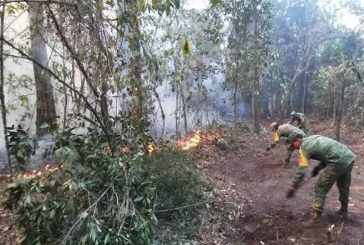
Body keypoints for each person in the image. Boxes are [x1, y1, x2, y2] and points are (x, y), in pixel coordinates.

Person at [286, 135, 355, 225]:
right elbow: (328, 152)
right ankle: (344, 211)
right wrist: (318, 168)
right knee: (343, 186)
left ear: (297, 140)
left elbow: (301, 171)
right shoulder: (312, 138)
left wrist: (293, 186)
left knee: (320, 187)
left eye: (293, 145)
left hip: (337, 161)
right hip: (349, 157)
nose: (294, 148)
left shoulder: (304, 148)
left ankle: (315, 218)